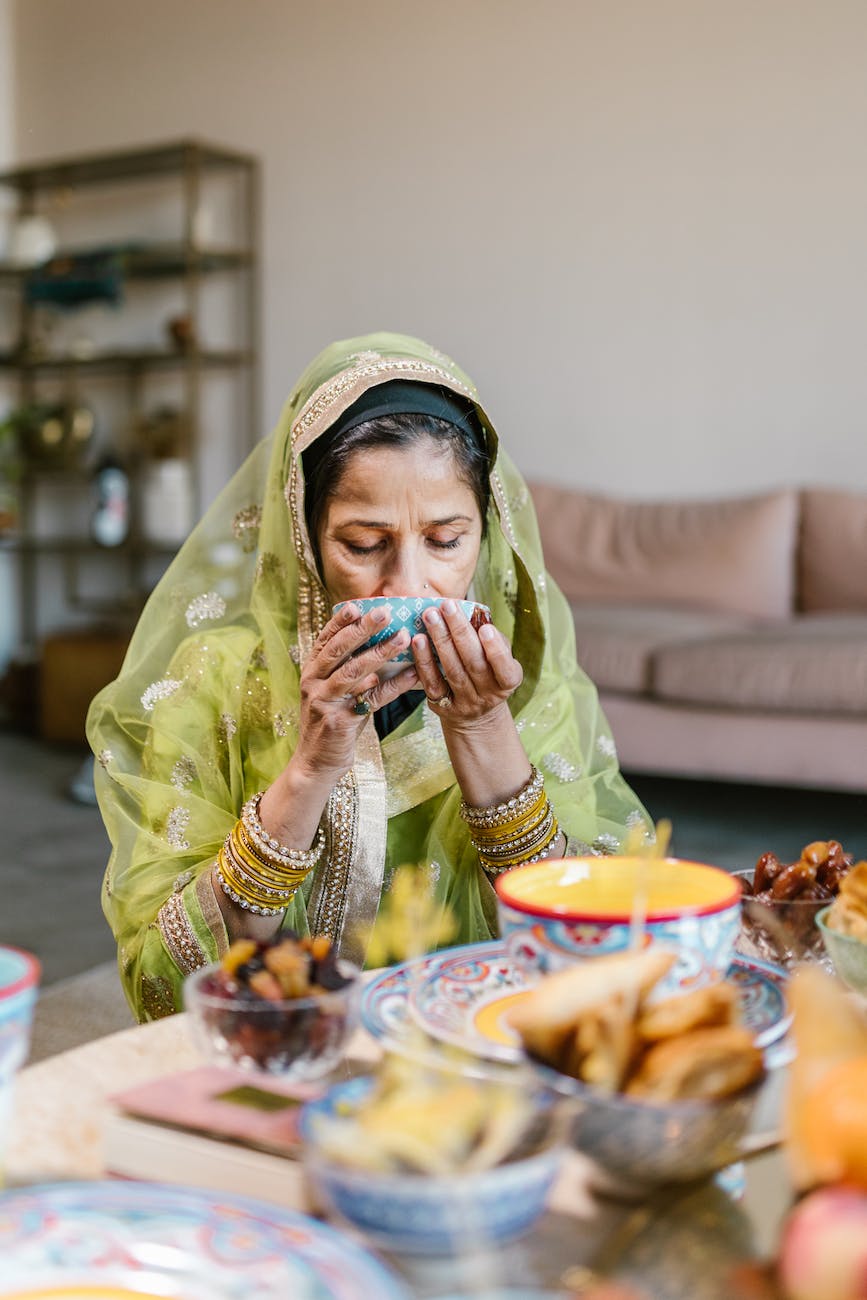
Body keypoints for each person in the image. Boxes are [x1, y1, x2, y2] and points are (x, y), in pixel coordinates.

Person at [87, 332, 649, 1020]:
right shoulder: (214, 681)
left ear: (485, 532)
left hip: (474, 1061)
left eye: (445, 541)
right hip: (278, 1062)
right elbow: (165, 980)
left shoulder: (524, 680)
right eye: (362, 544)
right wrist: (309, 767)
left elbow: (607, 954)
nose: (408, 582)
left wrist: (482, 729)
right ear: (306, 540)